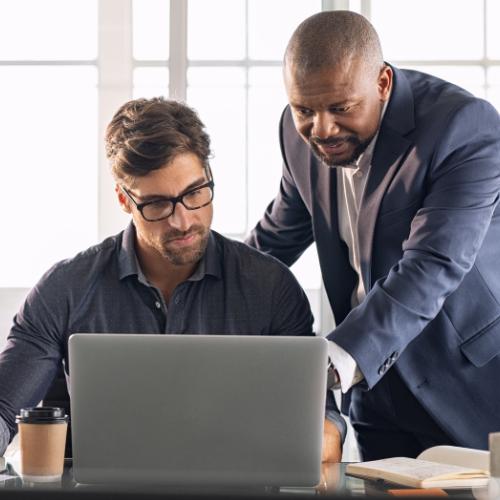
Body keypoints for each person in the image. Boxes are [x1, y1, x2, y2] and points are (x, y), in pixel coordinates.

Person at [0, 97, 344, 461]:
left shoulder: (271, 287)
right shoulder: (65, 290)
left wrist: (320, 438)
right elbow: (4, 407)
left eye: (195, 193)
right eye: (159, 204)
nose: (182, 221)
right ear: (124, 199)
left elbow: (323, 416)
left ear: (209, 176)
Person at [246, 10, 500, 461]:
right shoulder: (294, 132)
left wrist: (332, 360)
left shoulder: (464, 127)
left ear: (382, 84)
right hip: (374, 389)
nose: (320, 129)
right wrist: (201, 282)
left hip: (466, 380)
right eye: (304, 109)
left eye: (341, 108)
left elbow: (432, 265)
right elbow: (274, 240)